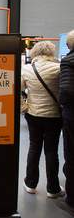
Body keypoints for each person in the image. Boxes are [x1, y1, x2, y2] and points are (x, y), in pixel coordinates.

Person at [21, 41, 64, 198]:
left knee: (34, 147)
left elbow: (16, 90)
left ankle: (31, 183)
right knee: (52, 151)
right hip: (54, 115)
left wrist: (24, 107)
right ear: (51, 52)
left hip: (33, 114)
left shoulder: (26, 69)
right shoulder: (58, 68)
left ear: (34, 52)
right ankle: (53, 188)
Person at [57, 30, 74, 215]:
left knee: (71, 155)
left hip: (72, 114)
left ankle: (71, 199)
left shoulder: (68, 61)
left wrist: (61, 106)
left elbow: (67, 91)